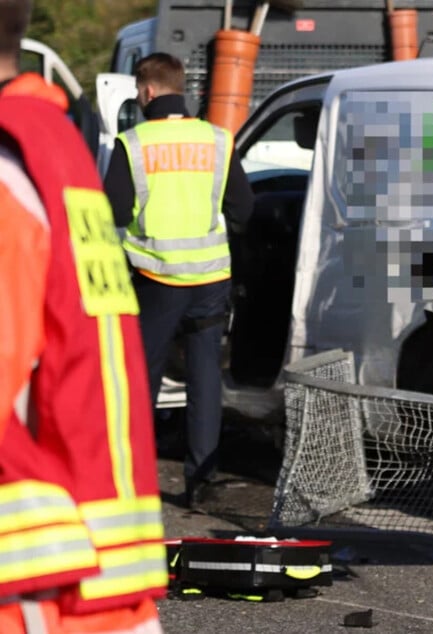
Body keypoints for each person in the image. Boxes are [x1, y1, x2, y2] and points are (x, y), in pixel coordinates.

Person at [0, 1, 167, 631]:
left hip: (31, 594)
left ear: (146, 90)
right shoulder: (50, 148)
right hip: (87, 583)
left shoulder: (105, 148)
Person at [104, 52, 253, 509]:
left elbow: (113, 211)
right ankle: (200, 483)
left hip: (155, 279)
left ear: (147, 91)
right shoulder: (217, 139)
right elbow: (244, 210)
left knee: (142, 380)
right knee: (205, 376)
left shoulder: (134, 143)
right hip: (209, 278)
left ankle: (132, 482)